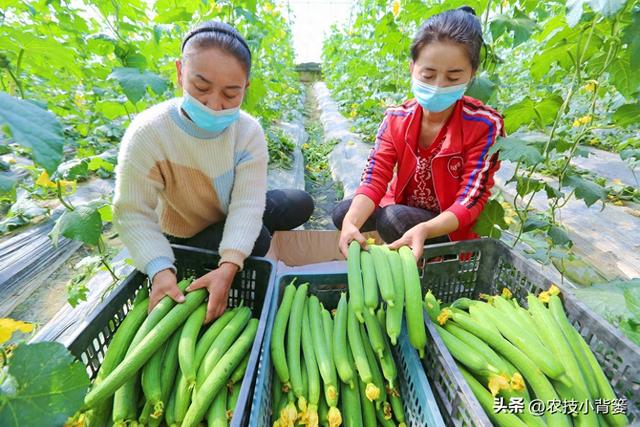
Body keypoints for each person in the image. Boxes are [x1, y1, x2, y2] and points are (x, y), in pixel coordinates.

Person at [113, 21, 313, 323]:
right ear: (181, 72)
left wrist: (229, 264)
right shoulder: (149, 132)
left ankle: (238, 246)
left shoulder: (247, 132)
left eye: (230, 94)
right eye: (201, 87)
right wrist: (159, 268)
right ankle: (235, 252)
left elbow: (247, 204)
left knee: (299, 202)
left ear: (245, 88)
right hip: (183, 235)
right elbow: (132, 211)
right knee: (258, 239)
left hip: (225, 211)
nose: (214, 105)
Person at [333, 6, 504, 261]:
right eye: (429, 74)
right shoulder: (396, 118)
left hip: (448, 224)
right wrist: (351, 224)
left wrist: (425, 229)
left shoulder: (485, 124)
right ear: (412, 67)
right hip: (405, 208)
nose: (438, 86)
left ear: (471, 75)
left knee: (394, 219)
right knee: (345, 214)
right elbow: (375, 176)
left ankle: (439, 261)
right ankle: (399, 250)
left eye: (453, 76)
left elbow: (471, 199)